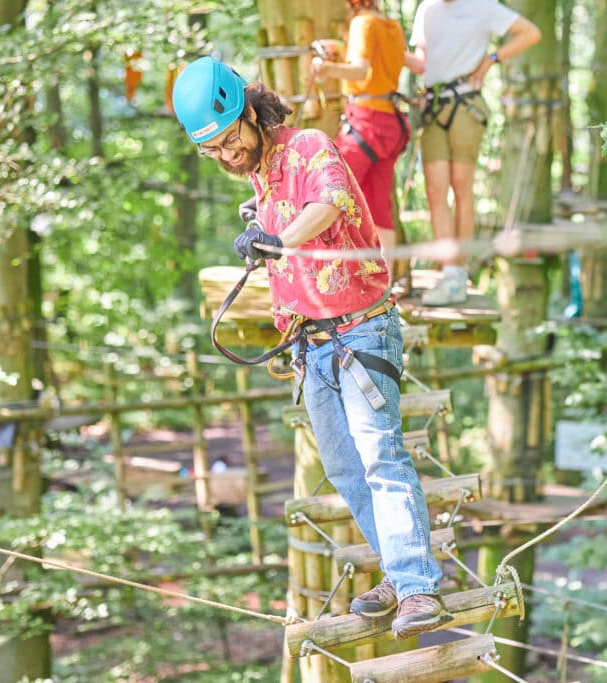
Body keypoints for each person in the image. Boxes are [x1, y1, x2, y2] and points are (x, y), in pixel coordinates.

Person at [172, 56, 452, 639]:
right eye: (213, 151)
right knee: (346, 469)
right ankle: (401, 577)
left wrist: (278, 237)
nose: (227, 155)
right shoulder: (262, 173)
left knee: (382, 457)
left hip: (361, 330)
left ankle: (418, 585)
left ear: (250, 112)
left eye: (230, 140)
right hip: (313, 344)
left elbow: (326, 204)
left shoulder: (308, 147)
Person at [410, 0, 541, 306]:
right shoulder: (427, 9)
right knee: (435, 191)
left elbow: (530, 33)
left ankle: (457, 276)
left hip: (466, 105)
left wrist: (491, 59)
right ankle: (449, 271)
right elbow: (422, 62)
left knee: (461, 187)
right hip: (432, 106)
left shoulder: (482, 6)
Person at [312, 0, 422, 262]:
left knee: (330, 192)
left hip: (365, 123)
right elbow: (410, 63)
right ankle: (387, 286)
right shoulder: (391, 26)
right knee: (379, 207)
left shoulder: (362, 23)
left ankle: (329, 274)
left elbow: (361, 70)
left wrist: (324, 68)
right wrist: (341, 48)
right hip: (390, 124)